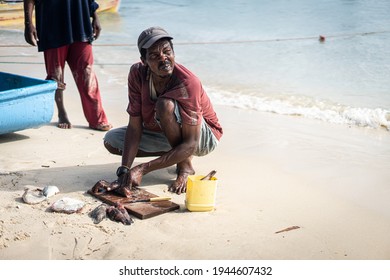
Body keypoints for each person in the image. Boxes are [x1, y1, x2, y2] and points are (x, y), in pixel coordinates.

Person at [103, 26, 223, 195]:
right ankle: (174, 155)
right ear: (144, 61)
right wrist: (124, 170)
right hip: (166, 132)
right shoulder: (137, 74)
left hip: (203, 138)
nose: (163, 59)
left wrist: (142, 169)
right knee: (112, 140)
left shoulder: (188, 82)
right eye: (154, 55)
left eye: (167, 52)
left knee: (164, 105)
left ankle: (185, 166)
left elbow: (191, 144)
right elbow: (135, 126)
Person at [23, 0, 112, 131]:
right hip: (52, 25)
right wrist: (28, 24)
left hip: (81, 23)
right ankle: (62, 113)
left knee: (87, 74)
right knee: (56, 75)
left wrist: (95, 15)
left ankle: (97, 119)